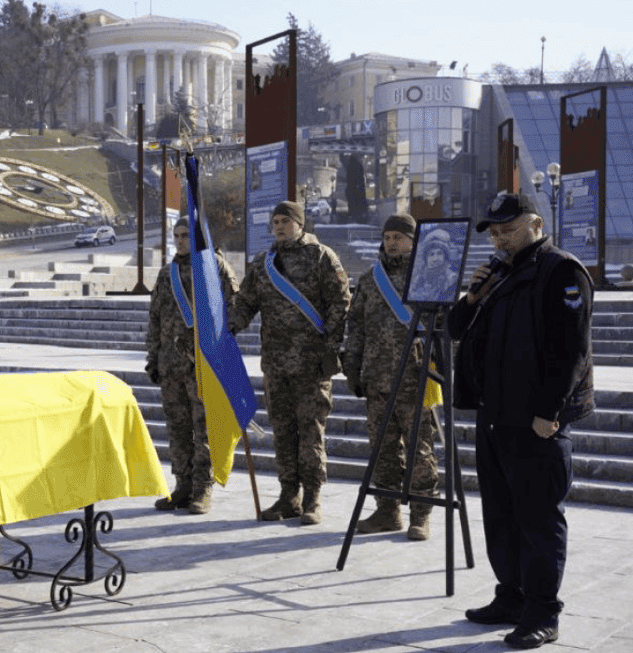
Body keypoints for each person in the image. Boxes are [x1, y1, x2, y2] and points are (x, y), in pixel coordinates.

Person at [449, 192, 594, 650]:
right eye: (492, 230)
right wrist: (473, 296)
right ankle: (510, 596)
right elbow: (454, 328)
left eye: (507, 228)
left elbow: (571, 351)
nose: (498, 237)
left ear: (535, 223)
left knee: (537, 517)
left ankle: (542, 611)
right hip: (496, 415)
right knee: (501, 514)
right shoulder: (498, 273)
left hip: (535, 420)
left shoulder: (560, 271)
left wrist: (549, 413)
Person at [230, 201, 351, 525]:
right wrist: (227, 327)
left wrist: (332, 348)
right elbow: (245, 303)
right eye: (275, 222)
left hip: (311, 365)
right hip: (276, 364)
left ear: (300, 223)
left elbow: (341, 303)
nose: (279, 227)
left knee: (310, 432)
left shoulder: (321, 257)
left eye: (285, 221)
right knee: (283, 432)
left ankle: (313, 497)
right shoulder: (263, 263)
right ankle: (288, 496)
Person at [341, 214, 438, 540]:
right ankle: (387, 511)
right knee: (382, 450)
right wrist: (351, 365)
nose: (392, 242)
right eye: (388, 237)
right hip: (377, 379)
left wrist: (439, 365)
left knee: (419, 450)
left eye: (399, 236)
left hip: (414, 380)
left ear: (413, 240)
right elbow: (356, 326)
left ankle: (421, 513)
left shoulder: (428, 276)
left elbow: (443, 327)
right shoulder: (370, 280)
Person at [145, 217, 239, 515]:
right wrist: (153, 357)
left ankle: (202, 488)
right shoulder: (165, 275)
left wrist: (216, 350)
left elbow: (234, 312)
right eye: (176, 235)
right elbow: (155, 320)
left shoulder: (215, 269)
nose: (181, 240)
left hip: (202, 365)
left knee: (205, 428)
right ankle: (182, 485)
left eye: (186, 235)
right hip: (171, 366)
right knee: (178, 429)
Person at [409, 230, 460, 302]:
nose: (435, 259)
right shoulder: (418, 280)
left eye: (439, 253)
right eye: (431, 254)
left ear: (445, 257)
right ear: (426, 259)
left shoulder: (452, 280)